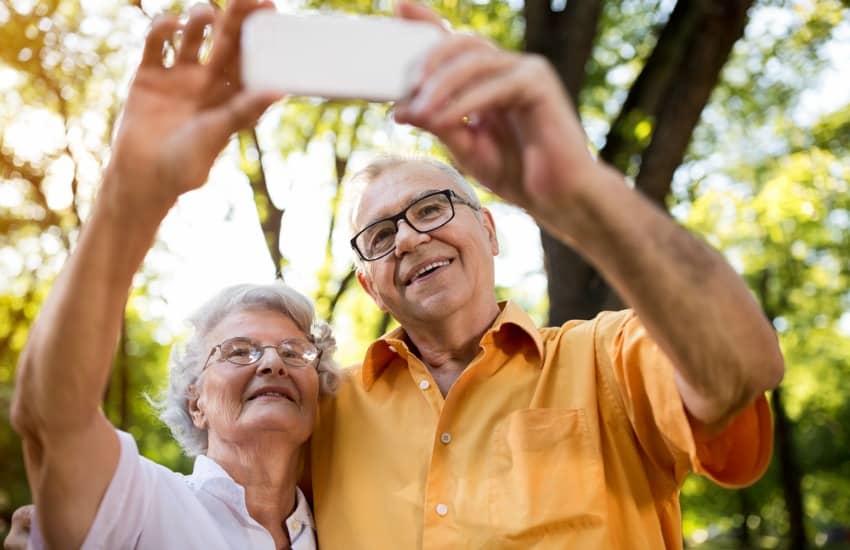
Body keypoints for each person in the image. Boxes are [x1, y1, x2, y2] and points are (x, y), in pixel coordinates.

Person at [8, 0, 785, 548]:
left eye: (432, 208)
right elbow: (85, 439)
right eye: (378, 235)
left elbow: (741, 368)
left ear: (488, 228)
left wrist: (578, 192)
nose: (409, 240)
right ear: (371, 286)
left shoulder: (607, 360)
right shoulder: (325, 414)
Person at [9, 2, 339, 549]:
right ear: (196, 402)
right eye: (237, 351)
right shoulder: (141, 503)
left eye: (296, 352)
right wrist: (133, 193)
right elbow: (52, 417)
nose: (272, 361)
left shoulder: (348, 531)